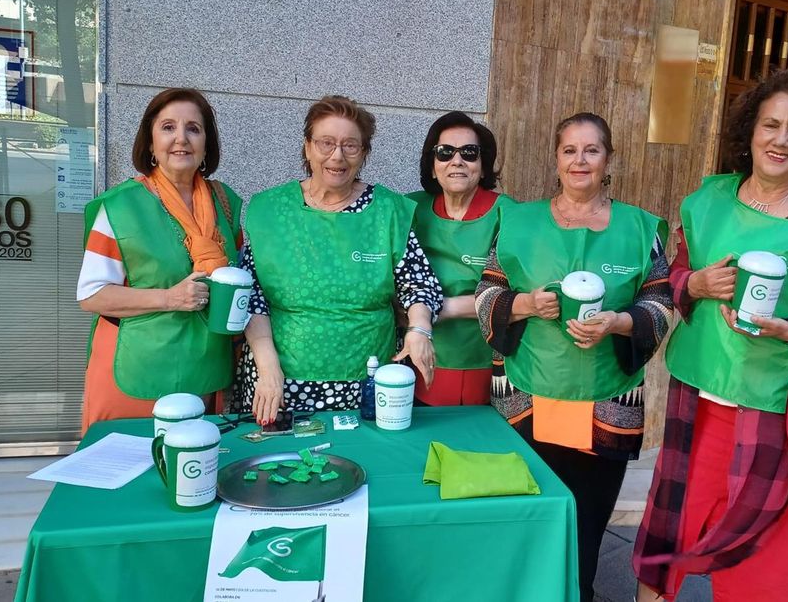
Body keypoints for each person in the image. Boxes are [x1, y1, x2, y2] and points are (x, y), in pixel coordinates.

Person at [632, 67, 788, 602]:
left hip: (785, 414)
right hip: (699, 402)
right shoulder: (708, 202)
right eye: (770, 125)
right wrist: (694, 283)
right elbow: (674, 276)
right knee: (668, 537)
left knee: (770, 561)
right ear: (749, 131)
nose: (781, 139)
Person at [476, 112, 673, 602]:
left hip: (604, 404)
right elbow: (486, 295)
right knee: (528, 516)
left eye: (591, 150)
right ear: (556, 159)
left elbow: (661, 303)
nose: (580, 160)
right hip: (524, 398)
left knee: (586, 526)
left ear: (608, 160)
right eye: (570, 150)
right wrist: (524, 303)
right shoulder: (518, 221)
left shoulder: (638, 227)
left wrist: (619, 322)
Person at [230, 95, 442, 424]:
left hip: (368, 381)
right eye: (325, 143)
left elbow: (418, 283)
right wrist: (269, 369)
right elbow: (251, 297)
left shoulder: (387, 211)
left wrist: (419, 330)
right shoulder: (269, 210)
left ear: (364, 153)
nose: (337, 156)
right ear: (307, 147)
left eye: (350, 146)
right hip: (279, 381)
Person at [77, 88, 242, 434]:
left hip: (205, 370)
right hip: (135, 372)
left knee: (194, 469)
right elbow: (91, 294)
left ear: (206, 144)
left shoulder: (226, 203)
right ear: (150, 143)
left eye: (193, 129)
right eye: (168, 127)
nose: (181, 138)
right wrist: (169, 298)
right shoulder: (121, 207)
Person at [407, 111, 513, 406]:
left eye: (469, 153)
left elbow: (514, 293)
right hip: (413, 353)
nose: (457, 161)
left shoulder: (509, 215)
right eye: (445, 153)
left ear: (483, 164)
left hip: (481, 358)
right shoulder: (409, 209)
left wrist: (437, 308)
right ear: (432, 166)